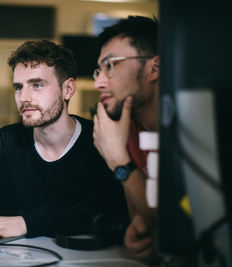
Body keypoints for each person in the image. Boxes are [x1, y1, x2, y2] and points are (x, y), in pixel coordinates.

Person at [0, 40, 127, 242]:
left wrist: (26, 223)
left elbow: (108, 210)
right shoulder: (5, 142)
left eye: (37, 85)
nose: (24, 97)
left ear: (68, 89)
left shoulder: (99, 141)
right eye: (18, 87)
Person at [92, 16, 160, 264]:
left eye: (111, 65)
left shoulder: (188, 128)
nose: (99, 83)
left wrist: (118, 160)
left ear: (154, 67)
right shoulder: (127, 128)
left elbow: (183, 225)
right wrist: (145, 234)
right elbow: (146, 219)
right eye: (99, 69)